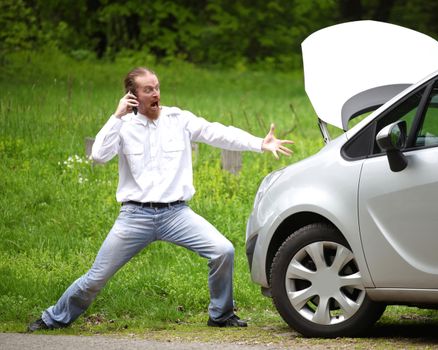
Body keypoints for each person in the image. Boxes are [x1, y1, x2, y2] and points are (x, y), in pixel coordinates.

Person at [28, 67, 293, 331]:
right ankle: (53, 318)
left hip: (176, 214)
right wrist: (117, 116)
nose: (155, 93)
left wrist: (259, 143)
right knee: (96, 277)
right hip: (135, 217)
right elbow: (98, 155)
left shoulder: (178, 119)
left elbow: (218, 132)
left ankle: (221, 315)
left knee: (223, 251)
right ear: (133, 96)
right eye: (148, 89)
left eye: (156, 87)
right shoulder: (124, 126)